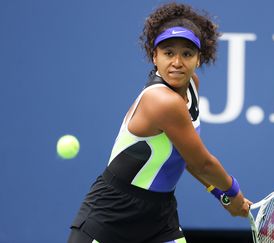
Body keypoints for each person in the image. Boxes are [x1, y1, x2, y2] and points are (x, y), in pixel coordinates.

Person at [68, 3, 251, 243]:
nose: (177, 62)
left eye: (187, 53)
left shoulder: (192, 85)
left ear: (199, 59)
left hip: (159, 217)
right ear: (154, 57)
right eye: (168, 53)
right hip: (110, 216)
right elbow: (202, 162)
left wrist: (224, 196)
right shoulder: (162, 101)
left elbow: (187, 157)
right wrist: (233, 192)